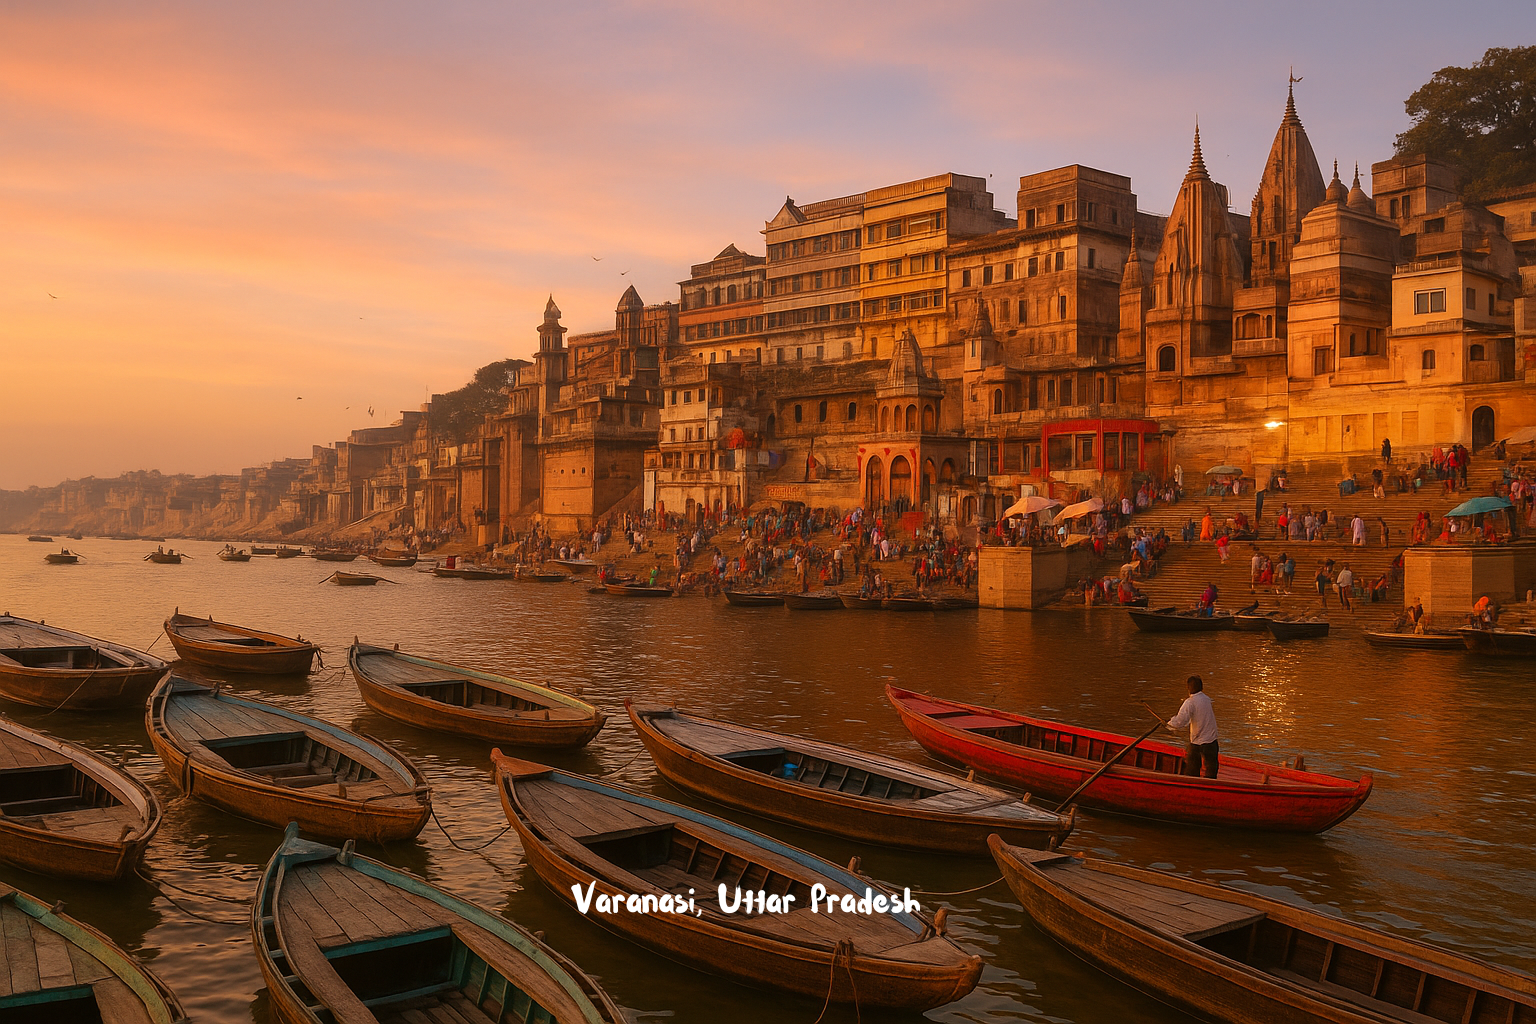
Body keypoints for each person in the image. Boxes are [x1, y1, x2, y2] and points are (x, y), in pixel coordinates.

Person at [1167, 675, 1219, 779]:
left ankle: (1192, 785)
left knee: (1192, 770)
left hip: (1198, 742)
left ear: (1188, 688)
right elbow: (1194, 717)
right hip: (1212, 741)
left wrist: (1169, 724)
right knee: (1211, 769)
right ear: (1201, 687)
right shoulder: (1206, 699)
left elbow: (1180, 721)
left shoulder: (1190, 702)